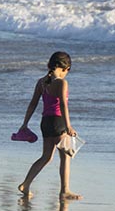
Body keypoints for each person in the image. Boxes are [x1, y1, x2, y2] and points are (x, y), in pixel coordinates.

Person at [17, 52, 82, 201]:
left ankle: (26, 184)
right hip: (58, 122)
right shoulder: (62, 83)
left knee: (46, 157)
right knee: (65, 157)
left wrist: (25, 123)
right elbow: (63, 105)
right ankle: (64, 190)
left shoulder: (41, 82)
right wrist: (68, 126)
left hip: (45, 122)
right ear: (66, 68)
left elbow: (33, 104)